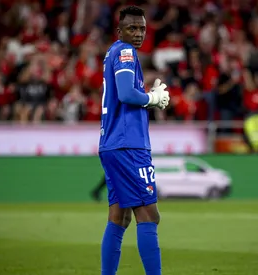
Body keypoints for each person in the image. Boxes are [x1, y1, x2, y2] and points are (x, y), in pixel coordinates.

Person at [98, 6, 170, 275]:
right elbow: (127, 94)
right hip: (128, 144)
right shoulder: (126, 52)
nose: (138, 33)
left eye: (142, 28)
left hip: (112, 143)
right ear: (120, 31)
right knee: (149, 215)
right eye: (132, 28)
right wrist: (152, 98)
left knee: (119, 217)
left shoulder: (112, 53)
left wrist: (147, 93)